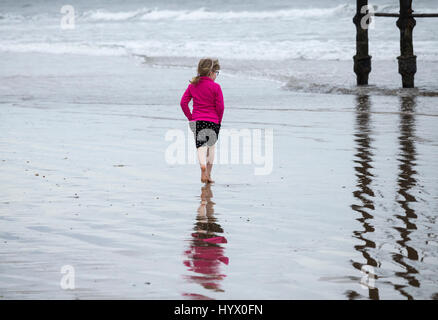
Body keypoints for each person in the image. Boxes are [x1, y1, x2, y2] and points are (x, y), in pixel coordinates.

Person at [180, 57, 224, 183]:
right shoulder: (216, 87)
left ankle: (202, 168)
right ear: (211, 72)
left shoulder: (193, 86)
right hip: (213, 121)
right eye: (216, 73)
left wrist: (191, 118)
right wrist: (218, 121)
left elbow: (183, 103)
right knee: (211, 147)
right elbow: (220, 107)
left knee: (201, 147)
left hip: (198, 121)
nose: (216, 75)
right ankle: (208, 175)